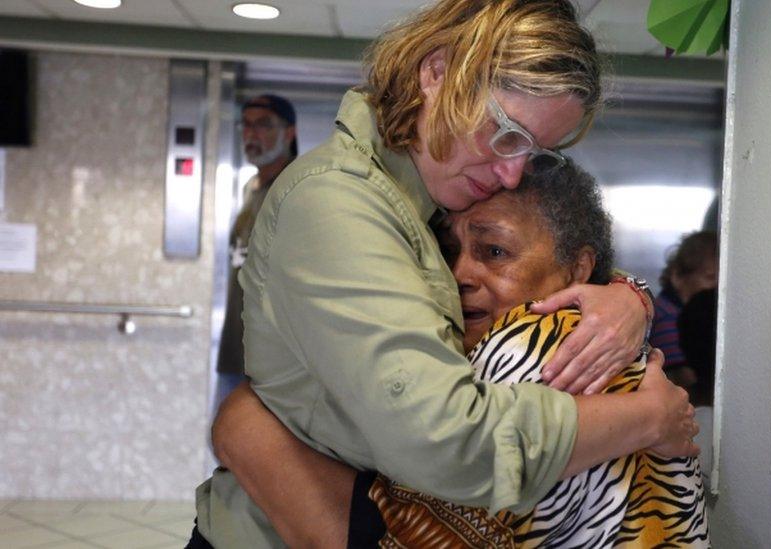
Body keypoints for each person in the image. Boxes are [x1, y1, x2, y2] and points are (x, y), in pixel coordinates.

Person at [191, 1, 698, 547]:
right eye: (506, 133)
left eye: (533, 151)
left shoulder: (430, 196)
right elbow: (449, 443)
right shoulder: (338, 203)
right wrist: (647, 417)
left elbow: (554, 257)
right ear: (437, 73)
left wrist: (627, 293)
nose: (511, 171)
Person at [211, 160, 710, 547]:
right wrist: (631, 293)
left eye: (495, 252)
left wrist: (250, 431)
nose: (460, 275)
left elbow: (411, 537)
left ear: (579, 268)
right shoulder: (592, 332)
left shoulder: (541, 352)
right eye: (449, 252)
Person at [214, 94, 298, 410]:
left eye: (264, 125)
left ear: (289, 133)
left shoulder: (295, 189)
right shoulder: (253, 189)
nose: (252, 134)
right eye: (246, 125)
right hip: (236, 352)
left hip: (270, 364)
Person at [648, 230, 719, 388]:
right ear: (678, 276)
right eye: (709, 277)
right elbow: (681, 376)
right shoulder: (666, 316)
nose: (717, 287)